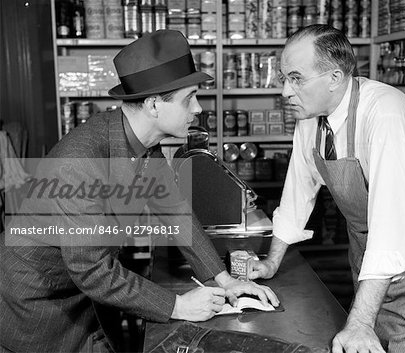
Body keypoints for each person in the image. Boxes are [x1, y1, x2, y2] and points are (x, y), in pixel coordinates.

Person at [0, 30, 278, 353]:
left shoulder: (145, 146)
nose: (199, 108)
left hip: (79, 297)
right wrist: (179, 306)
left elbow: (176, 213)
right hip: (36, 309)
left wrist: (225, 280)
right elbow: (92, 270)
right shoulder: (80, 161)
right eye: (189, 98)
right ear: (154, 105)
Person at [249, 24, 405, 353]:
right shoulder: (311, 117)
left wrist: (359, 321)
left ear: (335, 78)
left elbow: (392, 220)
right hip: (365, 244)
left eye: (296, 78)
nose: (285, 91)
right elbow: (298, 192)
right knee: (370, 342)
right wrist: (271, 262)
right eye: (284, 78)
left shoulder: (385, 113)